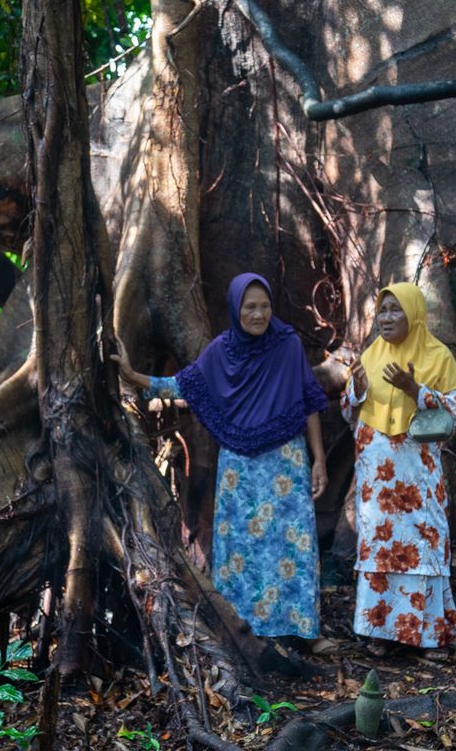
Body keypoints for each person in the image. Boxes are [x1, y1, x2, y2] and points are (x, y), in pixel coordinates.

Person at [112, 273, 329, 640]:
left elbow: (309, 403)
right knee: (243, 547)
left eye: (264, 306)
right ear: (235, 308)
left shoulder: (288, 345)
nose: (258, 314)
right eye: (250, 307)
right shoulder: (220, 351)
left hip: (286, 464)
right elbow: (181, 384)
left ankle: (300, 629)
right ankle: (246, 630)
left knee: (290, 543)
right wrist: (133, 375)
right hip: (240, 469)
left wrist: (319, 459)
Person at [342, 282, 456, 656]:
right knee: (380, 549)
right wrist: (357, 391)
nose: (387, 317)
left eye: (396, 310)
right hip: (377, 479)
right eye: (382, 311)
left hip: (417, 475)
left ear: (414, 313)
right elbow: (348, 413)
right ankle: (380, 632)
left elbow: (455, 413)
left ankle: (430, 635)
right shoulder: (370, 355)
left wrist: (416, 390)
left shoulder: (439, 356)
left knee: (422, 546)